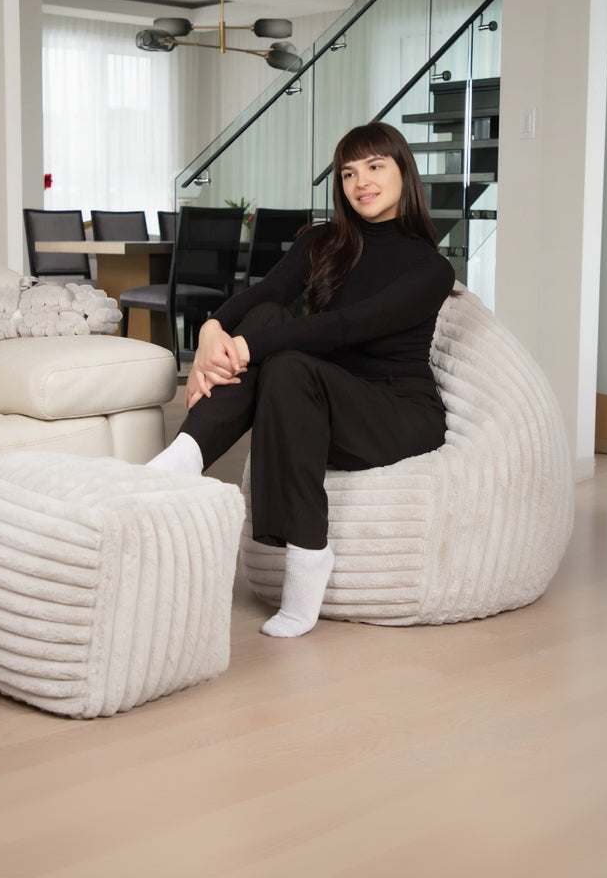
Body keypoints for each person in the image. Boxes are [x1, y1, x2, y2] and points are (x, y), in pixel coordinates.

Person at [147, 121, 456, 638]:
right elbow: (260, 296)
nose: (361, 183)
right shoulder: (323, 242)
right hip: (314, 401)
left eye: (376, 167)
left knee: (286, 358)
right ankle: (183, 460)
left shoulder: (430, 268)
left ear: (405, 171)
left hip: (394, 412)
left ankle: (309, 556)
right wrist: (211, 332)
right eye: (349, 173)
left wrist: (244, 348)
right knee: (269, 314)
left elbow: (345, 327)